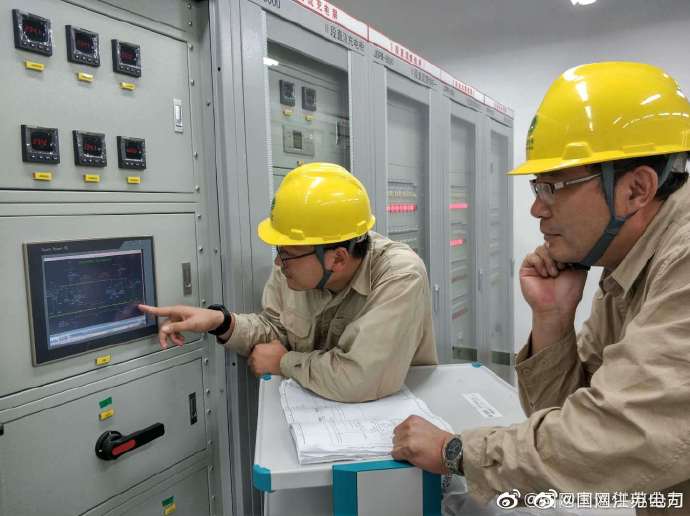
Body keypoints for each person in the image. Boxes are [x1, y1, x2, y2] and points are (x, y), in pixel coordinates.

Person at [391, 62, 690, 514]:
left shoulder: (680, 261)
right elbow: (569, 416)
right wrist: (552, 318)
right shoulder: (627, 265)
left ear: (636, 189)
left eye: (553, 187)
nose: (536, 209)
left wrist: (457, 453)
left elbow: (618, 433)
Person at [140, 162, 437, 402]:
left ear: (337, 259)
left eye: (287, 255)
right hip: (321, 419)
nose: (278, 264)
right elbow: (275, 329)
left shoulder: (399, 276)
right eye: (279, 251)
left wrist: (284, 363)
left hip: (391, 424)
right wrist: (222, 322)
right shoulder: (296, 270)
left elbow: (361, 379)